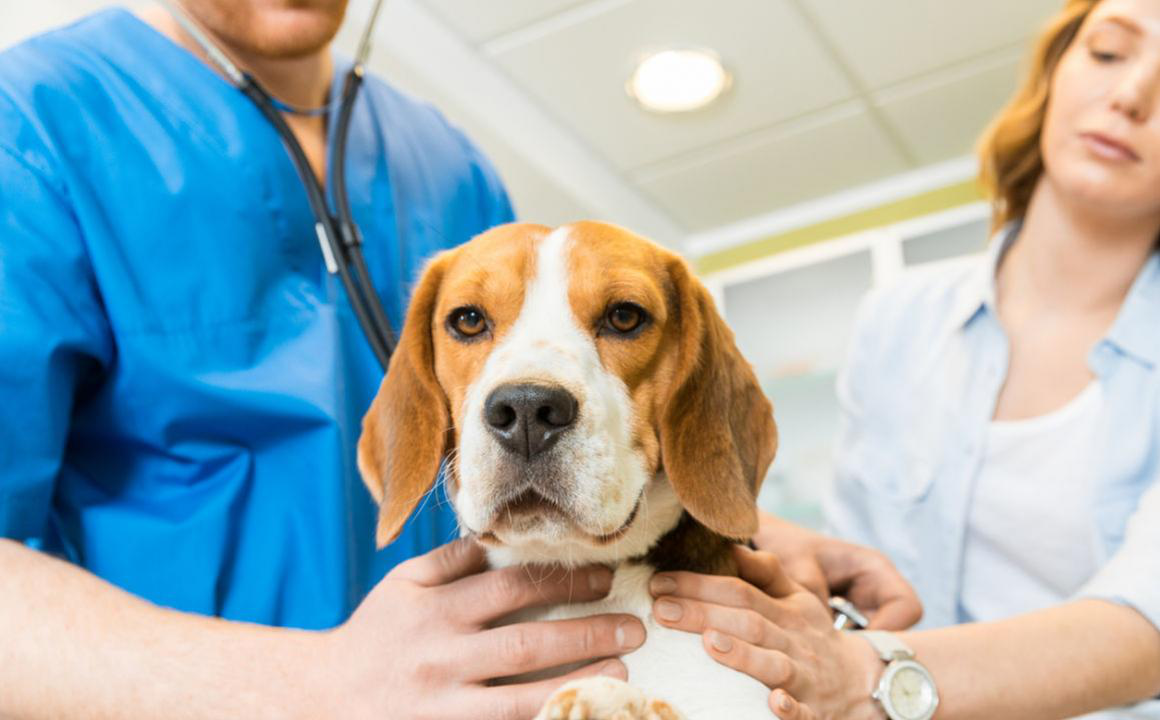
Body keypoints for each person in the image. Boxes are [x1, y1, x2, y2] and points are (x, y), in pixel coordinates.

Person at [0, 1, 922, 718]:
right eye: (474, 321)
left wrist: (735, 514)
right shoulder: (33, 122)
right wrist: (314, 684)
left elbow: (578, 408)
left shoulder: (446, 163)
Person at [644, 0, 1160, 717]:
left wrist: (867, 673)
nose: (1132, 95)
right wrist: (784, 544)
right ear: (1056, 70)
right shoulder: (901, 317)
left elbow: (1150, 622)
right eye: (1108, 52)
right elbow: (862, 564)